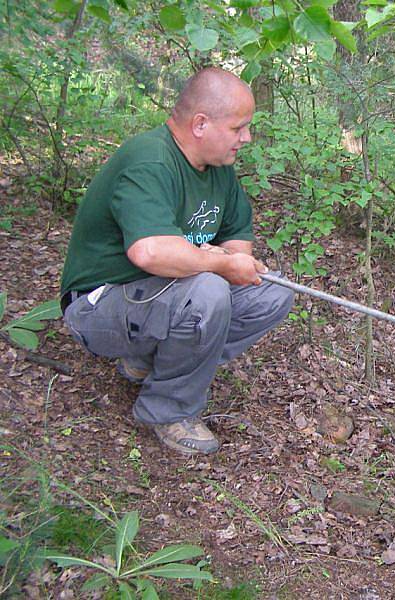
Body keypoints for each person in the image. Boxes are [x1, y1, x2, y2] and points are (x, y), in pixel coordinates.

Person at [60, 67, 295, 455]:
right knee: (207, 290)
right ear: (200, 124)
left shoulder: (220, 172)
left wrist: (229, 261)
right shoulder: (150, 160)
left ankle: (150, 360)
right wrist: (216, 262)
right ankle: (169, 411)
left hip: (157, 300)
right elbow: (148, 252)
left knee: (270, 293)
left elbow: (238, 246)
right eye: (239, 127)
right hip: (97, 305)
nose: (246, 138)